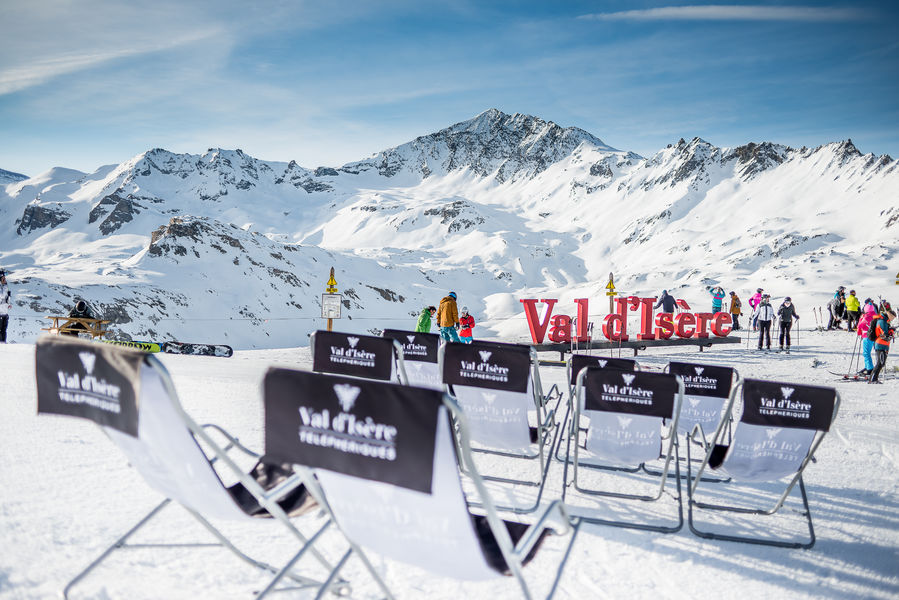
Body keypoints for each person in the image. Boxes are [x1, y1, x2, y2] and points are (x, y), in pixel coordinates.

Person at [868, 303, 896, 384]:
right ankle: (872, 379)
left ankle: (873, 379)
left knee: (881, 363)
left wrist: (891, 330)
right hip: (880, 344)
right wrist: (891, 333)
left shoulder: (884, 321)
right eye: (892, 318)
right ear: (890, 315)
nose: (892, 319)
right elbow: (884, 335)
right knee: (880, 363)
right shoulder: (882, 321)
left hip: (883, 345)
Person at [856, 300, 878, 377]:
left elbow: (860, 325)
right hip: (873, 336)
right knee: (867, 352)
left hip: (866, 336)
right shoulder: (875, 315)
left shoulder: (867, 316)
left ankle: (870, 368)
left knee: (866, 353)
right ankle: (867, 366)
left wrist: (861, 319)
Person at [0, 270, 10, 343]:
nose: (5, 279)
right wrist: (5, 286)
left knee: (4, 330)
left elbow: (6, 298)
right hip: (0, 312)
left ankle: (4, 343)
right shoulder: (3, 287)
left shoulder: (4, 286)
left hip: (5, 312)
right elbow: (2, 296)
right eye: (3, 278)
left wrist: (8, 304)